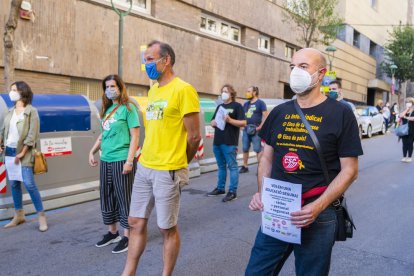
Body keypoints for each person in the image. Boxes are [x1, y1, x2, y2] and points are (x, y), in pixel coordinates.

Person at [245, 48, 363, 275]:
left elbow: (350, 171)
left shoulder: (341, 114)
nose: (295, 72)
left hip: (318, 214)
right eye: (292, 67)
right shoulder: (279, 112)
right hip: (278, 211)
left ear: (321, 74)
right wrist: (262, 193)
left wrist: (317, 207)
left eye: (303, 66)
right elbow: (266, 158)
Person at [122, 40, 201, 276]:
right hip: (145, 166)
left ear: (165, 61)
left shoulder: (183, 89)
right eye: (145, 59)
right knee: (135, 222)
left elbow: (194, 136)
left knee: (167, 228)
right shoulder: (154, 89)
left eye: (149, 59)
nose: (145, 64)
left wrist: (180, 162)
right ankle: (129, 272)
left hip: (169, 169)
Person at [89, 74, 140, 254]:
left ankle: (128, 235)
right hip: (106, 159)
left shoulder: (128, 108)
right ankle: (112, 233)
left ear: (120, 87)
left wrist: (129, 160)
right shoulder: (107, 108)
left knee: (123, 196)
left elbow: (135, 136)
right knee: (107, 195)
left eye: (113, 86)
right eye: (107, 87)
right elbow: (104, 135)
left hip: (121, 159)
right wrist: (92, 151)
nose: (110, 89)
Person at [0, 81, 48, 232]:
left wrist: (22, 152)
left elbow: (32, 134)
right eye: (11, 90)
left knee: (29, 183)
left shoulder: (31, 111)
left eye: (14, 90)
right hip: (9, 152)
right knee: (14, 184)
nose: (11, 92)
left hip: (24, 153)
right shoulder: (10, 111)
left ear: (22, 92)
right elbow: (3, 130)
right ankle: (19, 215)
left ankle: (41, 216)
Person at [206, 84, 246, 202]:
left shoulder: (237, 106)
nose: (223, 93)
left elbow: (243, 123)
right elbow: (213, 121)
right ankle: (220, 188)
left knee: (232, 167)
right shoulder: (220, 107)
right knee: (221, 166)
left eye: (226, 91)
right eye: (222, 91)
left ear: (231, 94)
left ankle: (232, 191)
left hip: (229, 142)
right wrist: (212, 123)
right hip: (217, 141)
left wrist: (230, 120)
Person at [239, 86, 268, 174]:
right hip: (246, 129)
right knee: (245, 148)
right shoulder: (246, 104)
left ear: (254, 92)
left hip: (256, 129)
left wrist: (260, 127)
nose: (247, 93)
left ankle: (260, 168)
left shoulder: (260, 103)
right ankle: (245, 166)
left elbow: (266, 116)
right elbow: (243, 115)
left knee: (257, 149)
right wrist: (242, 125)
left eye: (248, 91)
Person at [398, 97, 414, 162]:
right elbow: (400, 116)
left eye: (409, 102)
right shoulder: (404, 110)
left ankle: (409, 157)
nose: (408, 103)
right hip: (404, 130)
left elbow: (413, 118)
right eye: (407, 102)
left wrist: (406, 117)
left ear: (412, 103)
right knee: (404, 144)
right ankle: (404, 156)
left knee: (410, 143)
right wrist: (406, 110)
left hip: (412, 129)